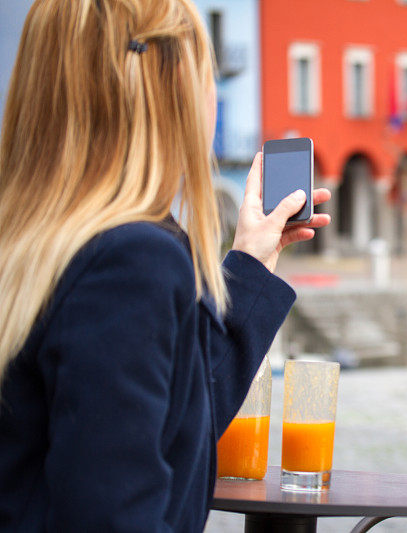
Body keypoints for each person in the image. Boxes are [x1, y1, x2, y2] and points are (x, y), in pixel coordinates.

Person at [0, 0, 331, 530]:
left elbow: (171, 428)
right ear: (171, 91)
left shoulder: (32, 245)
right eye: (207, 72)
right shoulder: (130, 261)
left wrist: (250, 262)